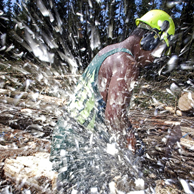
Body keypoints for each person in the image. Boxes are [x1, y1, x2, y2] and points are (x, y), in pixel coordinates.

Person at [50, 9, 175, 192]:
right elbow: (114, 116)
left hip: (66, 135)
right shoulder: (127, 62)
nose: (154, 60)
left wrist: (131, 135)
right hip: (81, 145)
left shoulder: (108, 51)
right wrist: (130, 150)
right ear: (150, 40)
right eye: (159, 51)